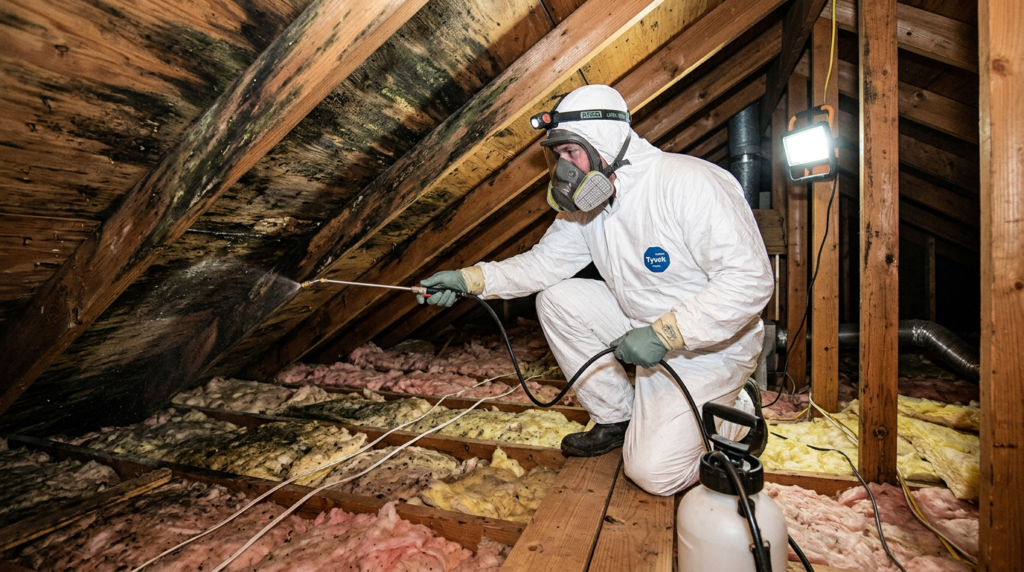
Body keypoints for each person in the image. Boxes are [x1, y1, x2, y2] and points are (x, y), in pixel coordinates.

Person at [416, 84, 773, 496]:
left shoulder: (689, 182)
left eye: (572, 152)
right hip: (640, 327)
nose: (564, 168)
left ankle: (738, 409)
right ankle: (617, 417)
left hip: (710, 347)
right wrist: (470, 280)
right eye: (559, 156)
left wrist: (667, 334)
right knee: (557, 299)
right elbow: (543, 264)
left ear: (604, 141)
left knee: (653, 474)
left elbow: (749, 280)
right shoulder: (590, 206)